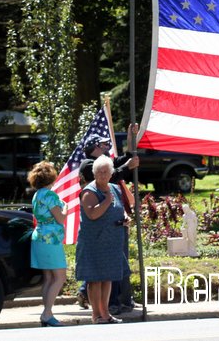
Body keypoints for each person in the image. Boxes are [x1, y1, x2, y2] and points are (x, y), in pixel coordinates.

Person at [76, 124, 139, 313]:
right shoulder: (88, 165)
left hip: (113, 229)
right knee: (100, 274)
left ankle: (114, 303)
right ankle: (104, 308)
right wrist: (127, 167)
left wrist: (130, 137)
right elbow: (112, 176)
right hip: (98, 231)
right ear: (94, 147)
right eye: (103, 145)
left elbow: (126, 158)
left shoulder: (106, 168)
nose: (107, 147)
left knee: (112, 269)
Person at [75, 155, 130, 324]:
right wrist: (106, 200)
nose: (103, 174)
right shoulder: (89, 191)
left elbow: (120, 208)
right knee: (95, 280)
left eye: (106, 171)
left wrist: (125, 218)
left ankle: (106, 314)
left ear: (112, 173)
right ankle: (97, 315)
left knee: (107, 278)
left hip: (111, 242)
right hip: (94, 243)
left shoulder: (115, 188)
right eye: (99, 171)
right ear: (94, 173)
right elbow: (92, 214)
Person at [29, 161, 68, 327]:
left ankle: (46, 313)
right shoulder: (50, 195)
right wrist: (66, 207)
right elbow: (61, 218)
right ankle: (47, 313)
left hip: (39, 237)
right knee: (60, 277)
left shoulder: (37, 195)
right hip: (51, 240)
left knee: (48, 277)